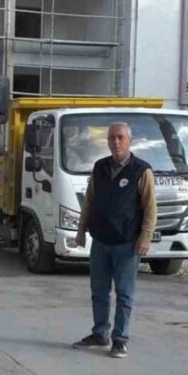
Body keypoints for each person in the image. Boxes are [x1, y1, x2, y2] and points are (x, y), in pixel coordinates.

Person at [72, 122, 157, 359]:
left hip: (127, 244)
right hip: (100, 242)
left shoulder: (142, 171)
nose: (116, 142)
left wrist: (145, 237)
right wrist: (81, 229)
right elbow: (89, 200)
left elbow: (150, 208)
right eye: (112, 138)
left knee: (124, 293)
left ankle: (120, 339)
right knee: (99, 291)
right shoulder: (99, 168)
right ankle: (100, 333)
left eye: (120, 137)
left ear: (129, 141)